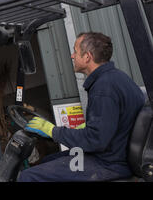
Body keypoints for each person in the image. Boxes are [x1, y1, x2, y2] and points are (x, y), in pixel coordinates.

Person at [18, 32, 146, 182]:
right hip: (115, 154)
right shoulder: (116, 78)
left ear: (87, 57)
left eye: (75, 51)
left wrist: (53, 131)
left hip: (109, 163)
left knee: (28, 176)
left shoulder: (103, 89)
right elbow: (108, 124)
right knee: (48, 160)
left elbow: (95, 140)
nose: (72, 56)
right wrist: (76, 129)